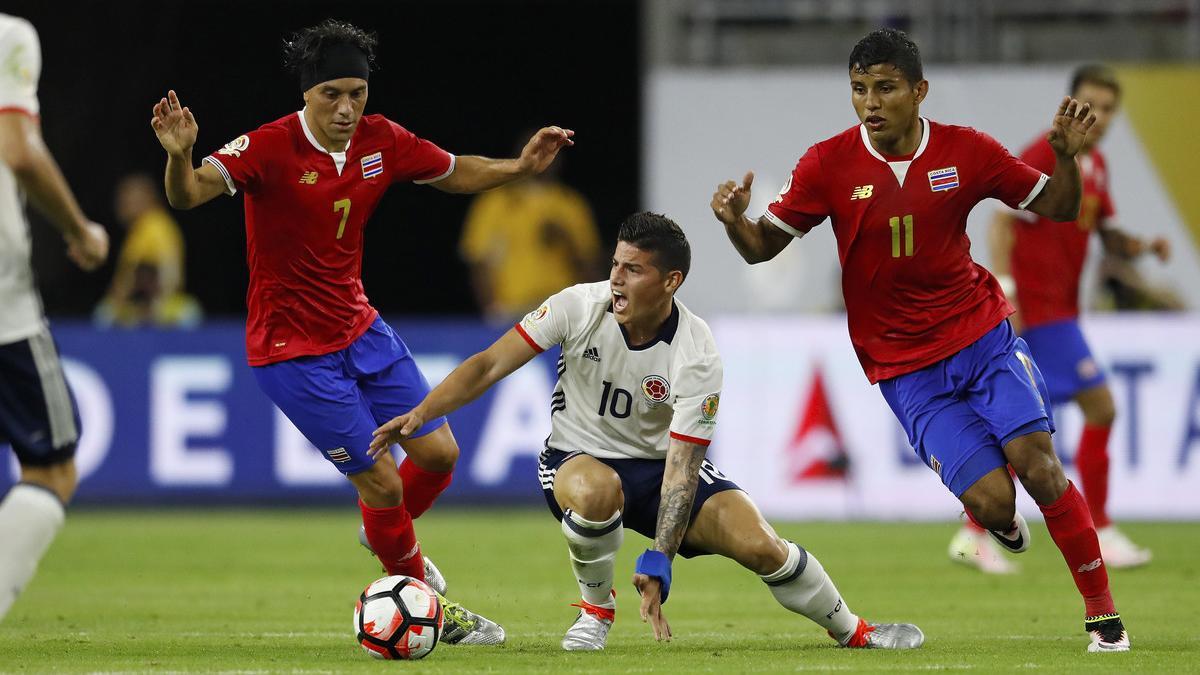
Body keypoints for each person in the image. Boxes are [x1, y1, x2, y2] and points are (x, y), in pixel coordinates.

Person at [149, 19, 573, 645]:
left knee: (440, 454)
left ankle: (385, 530)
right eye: (332, 95)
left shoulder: (383, 140)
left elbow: (454, 170)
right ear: (306, 95)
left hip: (360, 327)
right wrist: (181, 155)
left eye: (357, 93)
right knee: (382, 480)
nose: (347, 108)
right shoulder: (267, 147)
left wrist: (519, 167)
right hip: (291, 352)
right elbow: (187, 197)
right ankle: (424, 600)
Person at [711, 29, 1130, 653]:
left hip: (980, 334)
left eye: (885, 88)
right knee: (991, 505)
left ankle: (1104, 619)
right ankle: (1000, 522)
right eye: (859, 90)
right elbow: (761, 249)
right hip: (904, 367)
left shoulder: (968, 152)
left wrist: (1064, 157)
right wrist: (735, 222)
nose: (870, 103)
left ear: (919, 91)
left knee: (1038, 466)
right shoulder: (827, 164)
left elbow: (1062, 209)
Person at [371, 213, 924, 651]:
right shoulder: (576, 306)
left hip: (661, 470)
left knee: (763, 547)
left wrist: (660, 556)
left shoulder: (697, 351)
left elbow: (682, 468)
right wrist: (423, 411)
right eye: (616, 264)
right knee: (593, 490)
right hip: (576, 457)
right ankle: (596, 610)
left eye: (633, 270)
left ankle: (853, 630)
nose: (616, 278)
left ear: (670, 281)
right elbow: (488, 365)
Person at [950, 65, 1169, 573]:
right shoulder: (1043, 154)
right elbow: (1003, 218)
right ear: (1072, 103)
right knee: (1101, 406)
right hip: (1038, 313)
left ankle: (971, 531)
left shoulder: (1097, 168)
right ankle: (1104, 529)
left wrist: (1143, 247)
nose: (1100, 117)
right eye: (1092, 105)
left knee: (1020, 427)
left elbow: (1104, 232)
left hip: (1062, 311)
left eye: (1110, 109)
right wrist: (1006, 290)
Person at [0, 13, 109, 622]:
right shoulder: (9, 36)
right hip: (3, 301)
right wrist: (79, 229)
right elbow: (18, 149)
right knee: (51, 465)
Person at [459, 133, 602, 322]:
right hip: (512, 311)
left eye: (551, 150)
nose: (543, 156)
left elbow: (593, 266)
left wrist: (567, 240)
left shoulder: (571, 204)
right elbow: (478, 261)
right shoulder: (495, 202)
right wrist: (491, 311)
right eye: (537, 149)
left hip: (563, 312)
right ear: (522, 154)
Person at [94, 173, 202, 328]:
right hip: (135, 307)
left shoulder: (158, 226)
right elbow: (124, 282)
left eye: (130, 200)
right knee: (104, 313)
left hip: (161, 306)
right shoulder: (136, 231)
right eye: (121, 200)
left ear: (149, 198)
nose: (122, 205)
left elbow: (171, 275)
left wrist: (153, 308)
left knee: (188, 313)